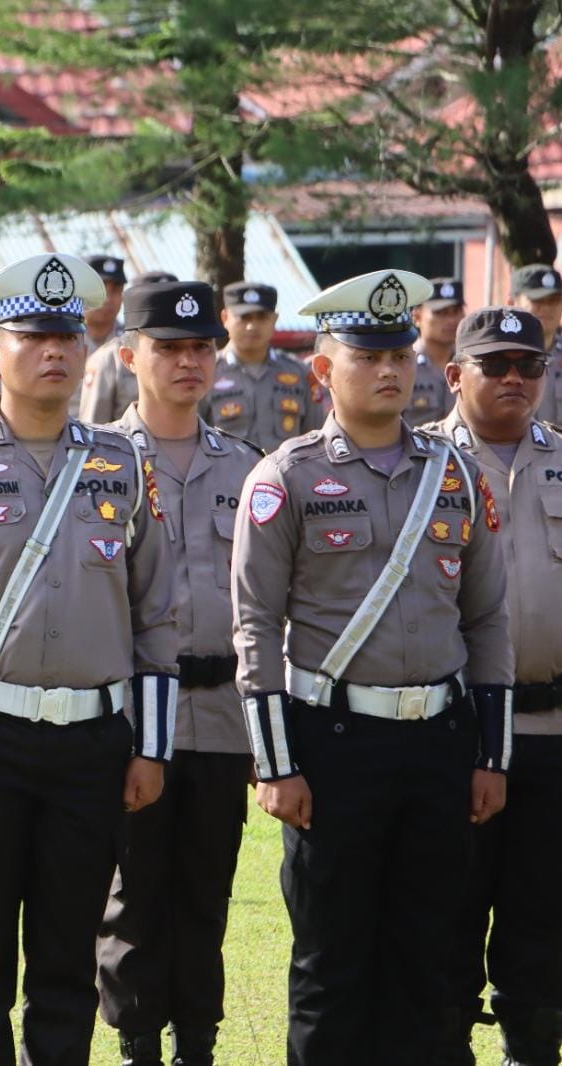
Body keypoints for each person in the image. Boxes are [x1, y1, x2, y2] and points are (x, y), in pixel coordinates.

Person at [0, 252, 179, 1066]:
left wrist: (149, 745)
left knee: (65, 960)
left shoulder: (122, 464)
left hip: (90, 745)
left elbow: (156, 615)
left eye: (70, 335)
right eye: (34, 336)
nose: (55, 350)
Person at [232, 269, 513, 1065]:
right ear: (324, 369)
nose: (391, 369)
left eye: (399, 352)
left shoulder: (453, 473)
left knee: (427, 964)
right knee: (332, 967)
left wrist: (490, 755)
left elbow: (487, 617)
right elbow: (253, 626)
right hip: (334, 745)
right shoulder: (282, 479)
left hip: (437, 745)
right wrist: (277, 764)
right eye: (367, 354)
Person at [97, 281, 258, 1066]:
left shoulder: (251, 469)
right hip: (128, 717)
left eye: (202, 347)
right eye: (170, 347)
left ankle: (198, 1042)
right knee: (130, 896)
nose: (190, 361)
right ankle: (135, 1045)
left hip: (224, 713)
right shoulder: (91, 466)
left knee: (206, 894)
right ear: (129, 357)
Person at [427, 307, 562, 1066]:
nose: (515, 378)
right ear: (454, 375)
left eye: (529, 365)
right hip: (453, 733)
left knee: (543, 916)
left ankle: (531, 1051)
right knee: (447, 911)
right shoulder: (417, 466)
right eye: (496, 364)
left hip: (552, 730)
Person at [201, 281, 323, 451]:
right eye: (244, 318)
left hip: (285, 476)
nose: (252, 326)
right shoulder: (205, 372)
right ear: (225, 318)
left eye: (261, 317)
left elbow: (314, 439)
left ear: (275, 319)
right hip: (227, 476)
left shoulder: (300, 374)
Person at [79, 269, 178, 424]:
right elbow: (94, 430)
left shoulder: (197, 356)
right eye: (156, 303)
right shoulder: (107, 357)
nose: (107, 299)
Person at [69, 255, 128, 417]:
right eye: (100, 290)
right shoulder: (62, 340)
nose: (108, 299)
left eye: (115, 291)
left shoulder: (131, 344)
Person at [405, 277, 465, 427]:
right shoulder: (404, 363)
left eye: (456, 311)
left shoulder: (470, 363)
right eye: (441, 312)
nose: (451, 320)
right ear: (417, 317)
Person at [509, 263, 562, 424]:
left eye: (553, 300)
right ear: (512, 303)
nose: (546, 308)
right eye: (537, 300)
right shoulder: (496, 358)